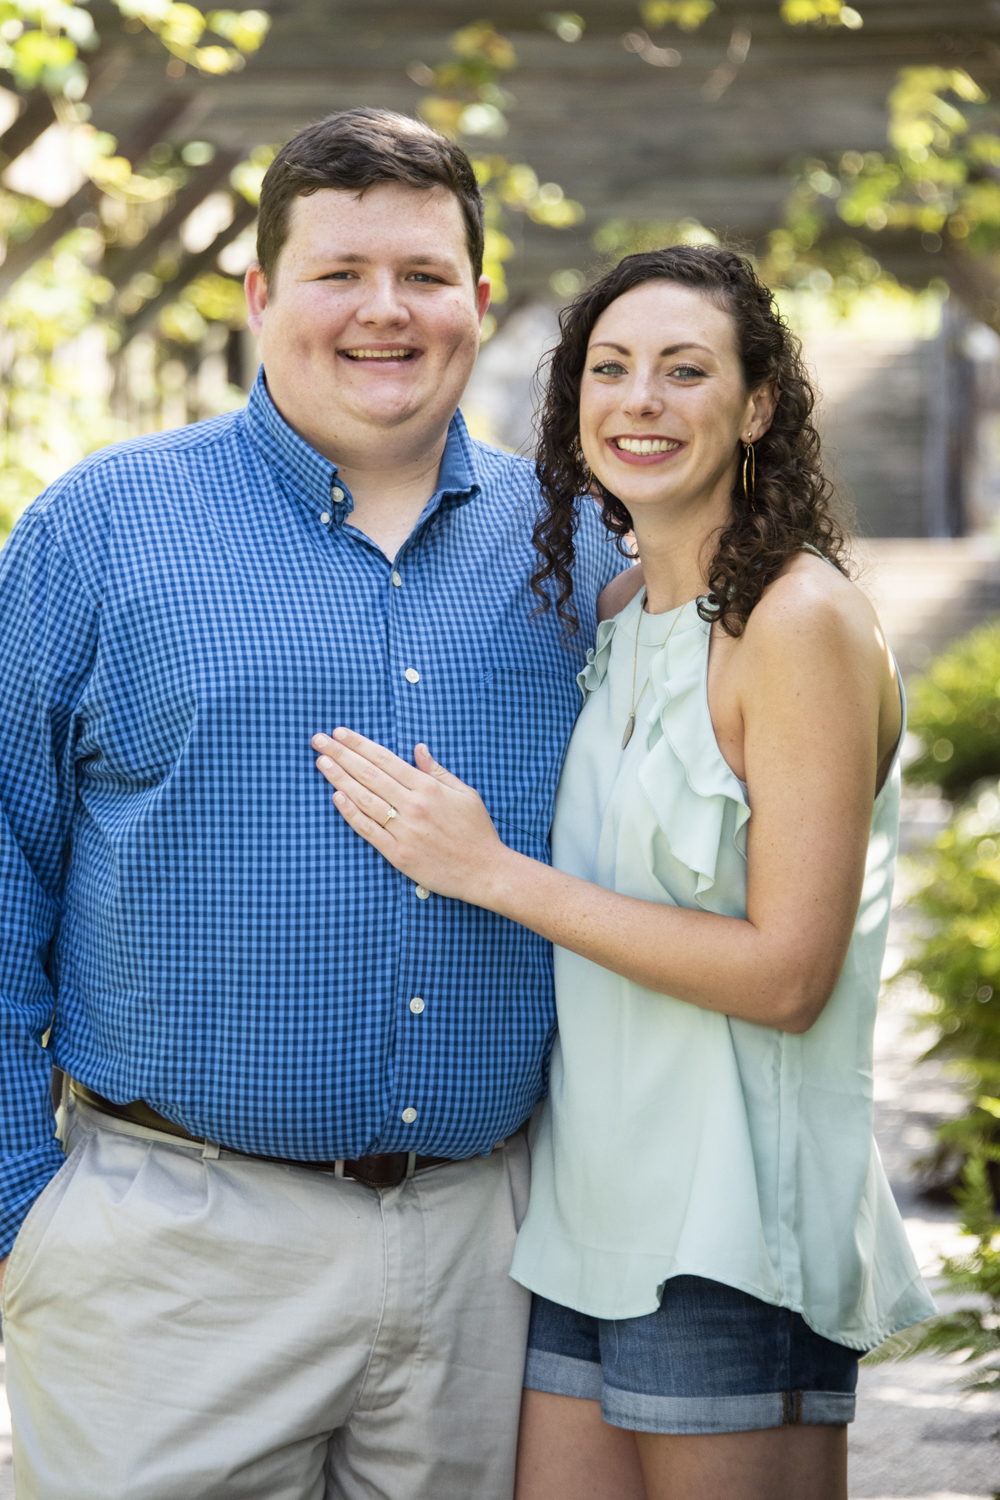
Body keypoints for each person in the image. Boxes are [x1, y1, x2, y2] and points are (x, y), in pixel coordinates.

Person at [0, 108, 625, 1500]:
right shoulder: (99, 530)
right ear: (262, 296)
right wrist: (17, 1216)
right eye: (340, 272)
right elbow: (0, 855)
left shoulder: (581, 550)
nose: (382, 313)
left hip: (486, 1257)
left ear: (478, 295)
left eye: (420, 274)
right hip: (167, 1259)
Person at [311, 246, 937, 1500]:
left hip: (727, 1228)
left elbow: (787, 975)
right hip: (584, 1221)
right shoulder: (618, 618)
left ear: (758, 406)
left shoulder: (797, 621)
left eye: (684, 369)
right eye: (610, 369)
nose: (639, 399)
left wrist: (490, 873)